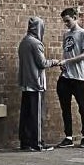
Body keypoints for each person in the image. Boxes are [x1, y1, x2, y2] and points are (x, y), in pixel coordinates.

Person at [18, 16, 60, 152]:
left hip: (25, 83)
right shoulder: (36, 43)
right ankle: (37, 143)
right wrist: (55, 61)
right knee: (36, 116)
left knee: (26, 115)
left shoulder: (24, 41)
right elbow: (42, 63)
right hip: (36, 84)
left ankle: (25, 142)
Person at [55, 8, 84, 148]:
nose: (66, 24)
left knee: (82, 106)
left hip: (78, 77)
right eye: (64, 22)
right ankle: (68, 137)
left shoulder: (83, 34)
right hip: (66, 76)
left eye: (68, 21)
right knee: (65, 107)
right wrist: (63, 64)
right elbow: (67, 53)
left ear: (75, 17)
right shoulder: (66, 35)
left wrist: (67, 62)